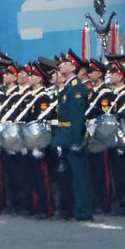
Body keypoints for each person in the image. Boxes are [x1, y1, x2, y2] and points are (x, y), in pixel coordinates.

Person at [50, 52, 91, 220]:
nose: (61, 65)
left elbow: (76, 117)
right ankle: (71, 209)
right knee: (67, 176)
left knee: (78, 177)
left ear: (73, 67)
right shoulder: (68, 87)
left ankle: (83, 211)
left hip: (72, 136)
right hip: (64, 135)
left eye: (65, 63)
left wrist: (76, 140)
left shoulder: (76, 88)